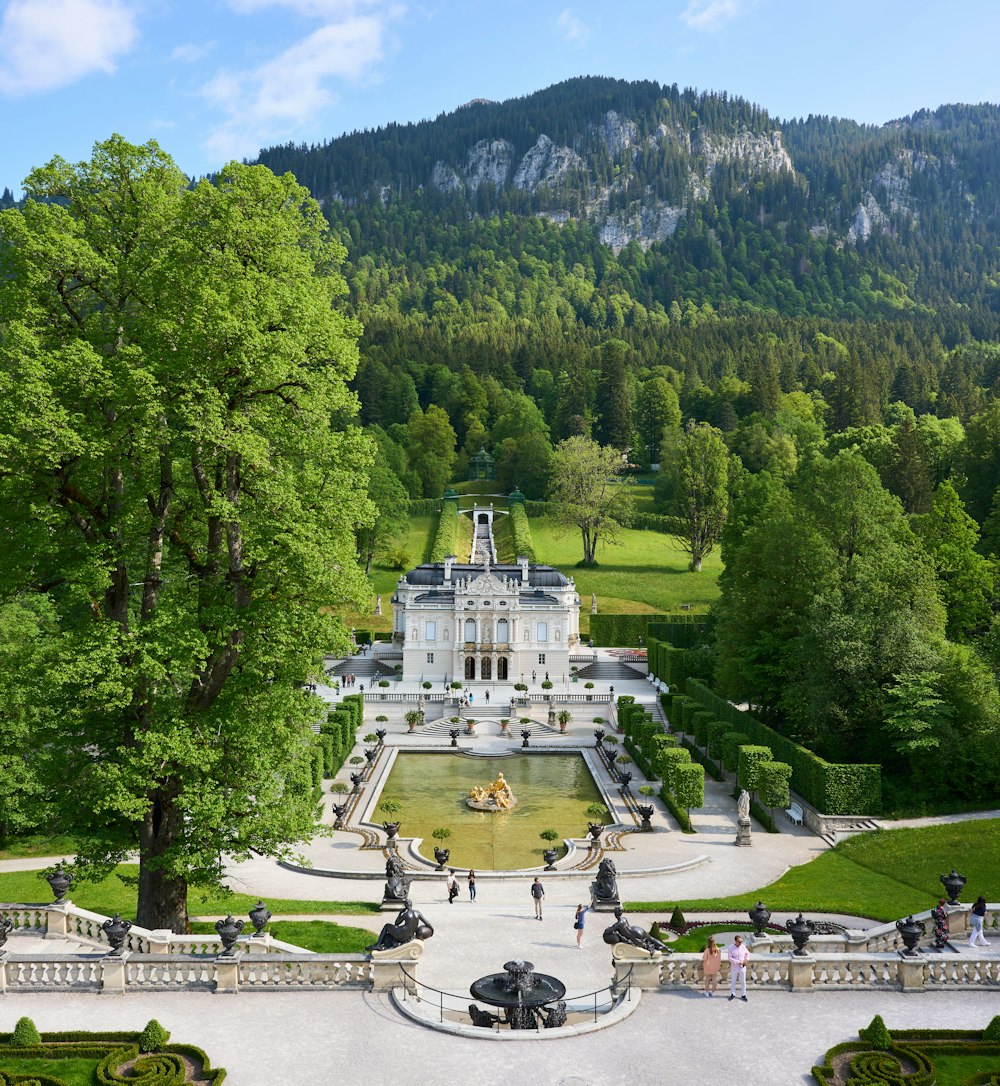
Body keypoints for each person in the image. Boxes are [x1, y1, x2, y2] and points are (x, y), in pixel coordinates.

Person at [727, 935, 750, 1001]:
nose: (740, 943)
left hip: (742, 967)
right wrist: (738, 962)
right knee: (733, 981)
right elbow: (729, 957)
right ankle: (733, 994)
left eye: (741, 942)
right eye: (739, 942)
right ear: (735, 941)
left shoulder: (743, 946)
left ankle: (743, 994)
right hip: (734, 967)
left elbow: (748, 954)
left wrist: (746, 960)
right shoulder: (731, 947)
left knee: (743, 981)